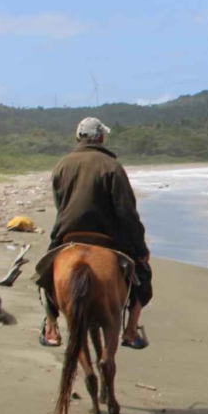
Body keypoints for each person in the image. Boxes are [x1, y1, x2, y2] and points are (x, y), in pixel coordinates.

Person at [35, 117, 153, 350]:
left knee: (45, 274)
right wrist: (140, 250)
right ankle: (131, 330)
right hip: (107, 236)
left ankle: (50, 326)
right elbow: (127, 212)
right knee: (143, 276)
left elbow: (61, 206)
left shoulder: (62, 165)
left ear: (78, 137)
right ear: (100, 137)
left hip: (68, 233)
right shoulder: (112, 166)